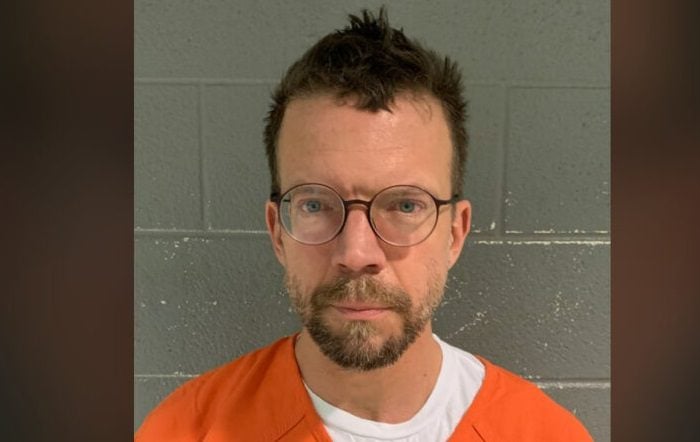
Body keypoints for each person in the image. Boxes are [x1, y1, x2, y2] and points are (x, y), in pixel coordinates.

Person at [136, 8, 593, 441]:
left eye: (405, 205)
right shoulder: (182, 431)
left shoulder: (546, 433)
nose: (356, 254)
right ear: (277, 231)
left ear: (455, 233)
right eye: (316, 205)